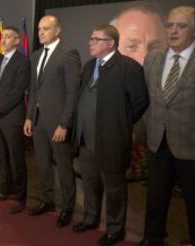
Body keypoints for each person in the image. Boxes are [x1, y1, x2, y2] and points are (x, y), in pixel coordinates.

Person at [72, 24, 149, 246]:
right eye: (91, 38)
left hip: (111, 141)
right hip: (86, 139)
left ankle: (115, 229)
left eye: (96, 39)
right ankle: (90, 218)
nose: (90, 42)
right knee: (90, 183)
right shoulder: (88, 66)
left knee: (114, 188)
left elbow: (140, 102)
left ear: (111, 43)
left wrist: (120, 124)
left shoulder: (128, 67)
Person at [140, 6, 195, 246]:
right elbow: (146, 99)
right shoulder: (153, 59)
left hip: (191, 145)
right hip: (157, 141)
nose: (173, 31)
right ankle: (153, 238)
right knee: (155, 197)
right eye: (170, 25)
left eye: (181, 26)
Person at [23, 15, 81, 227]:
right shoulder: (36, 55)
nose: (40, 32)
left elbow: (73, 92)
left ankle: (67, 208)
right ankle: (47, 200)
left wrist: (64, 123)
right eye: (39, 29)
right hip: (38, 122)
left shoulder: (68, 54)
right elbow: (33, 90)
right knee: (42, 164)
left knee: (64, 167)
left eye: (45, 29)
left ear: (57, 30)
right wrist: (29, 117)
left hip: (58, 124)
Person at [0, 26, 30, 214]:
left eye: (7, 37)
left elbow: (18, 90)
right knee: (0, 155)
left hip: (12, 117)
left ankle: (20, 197)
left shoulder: (23, 62)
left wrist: (0, 108)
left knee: (16, 158)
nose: (3, 40)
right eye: (2, 37)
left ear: (17, 41)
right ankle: (3, 189)